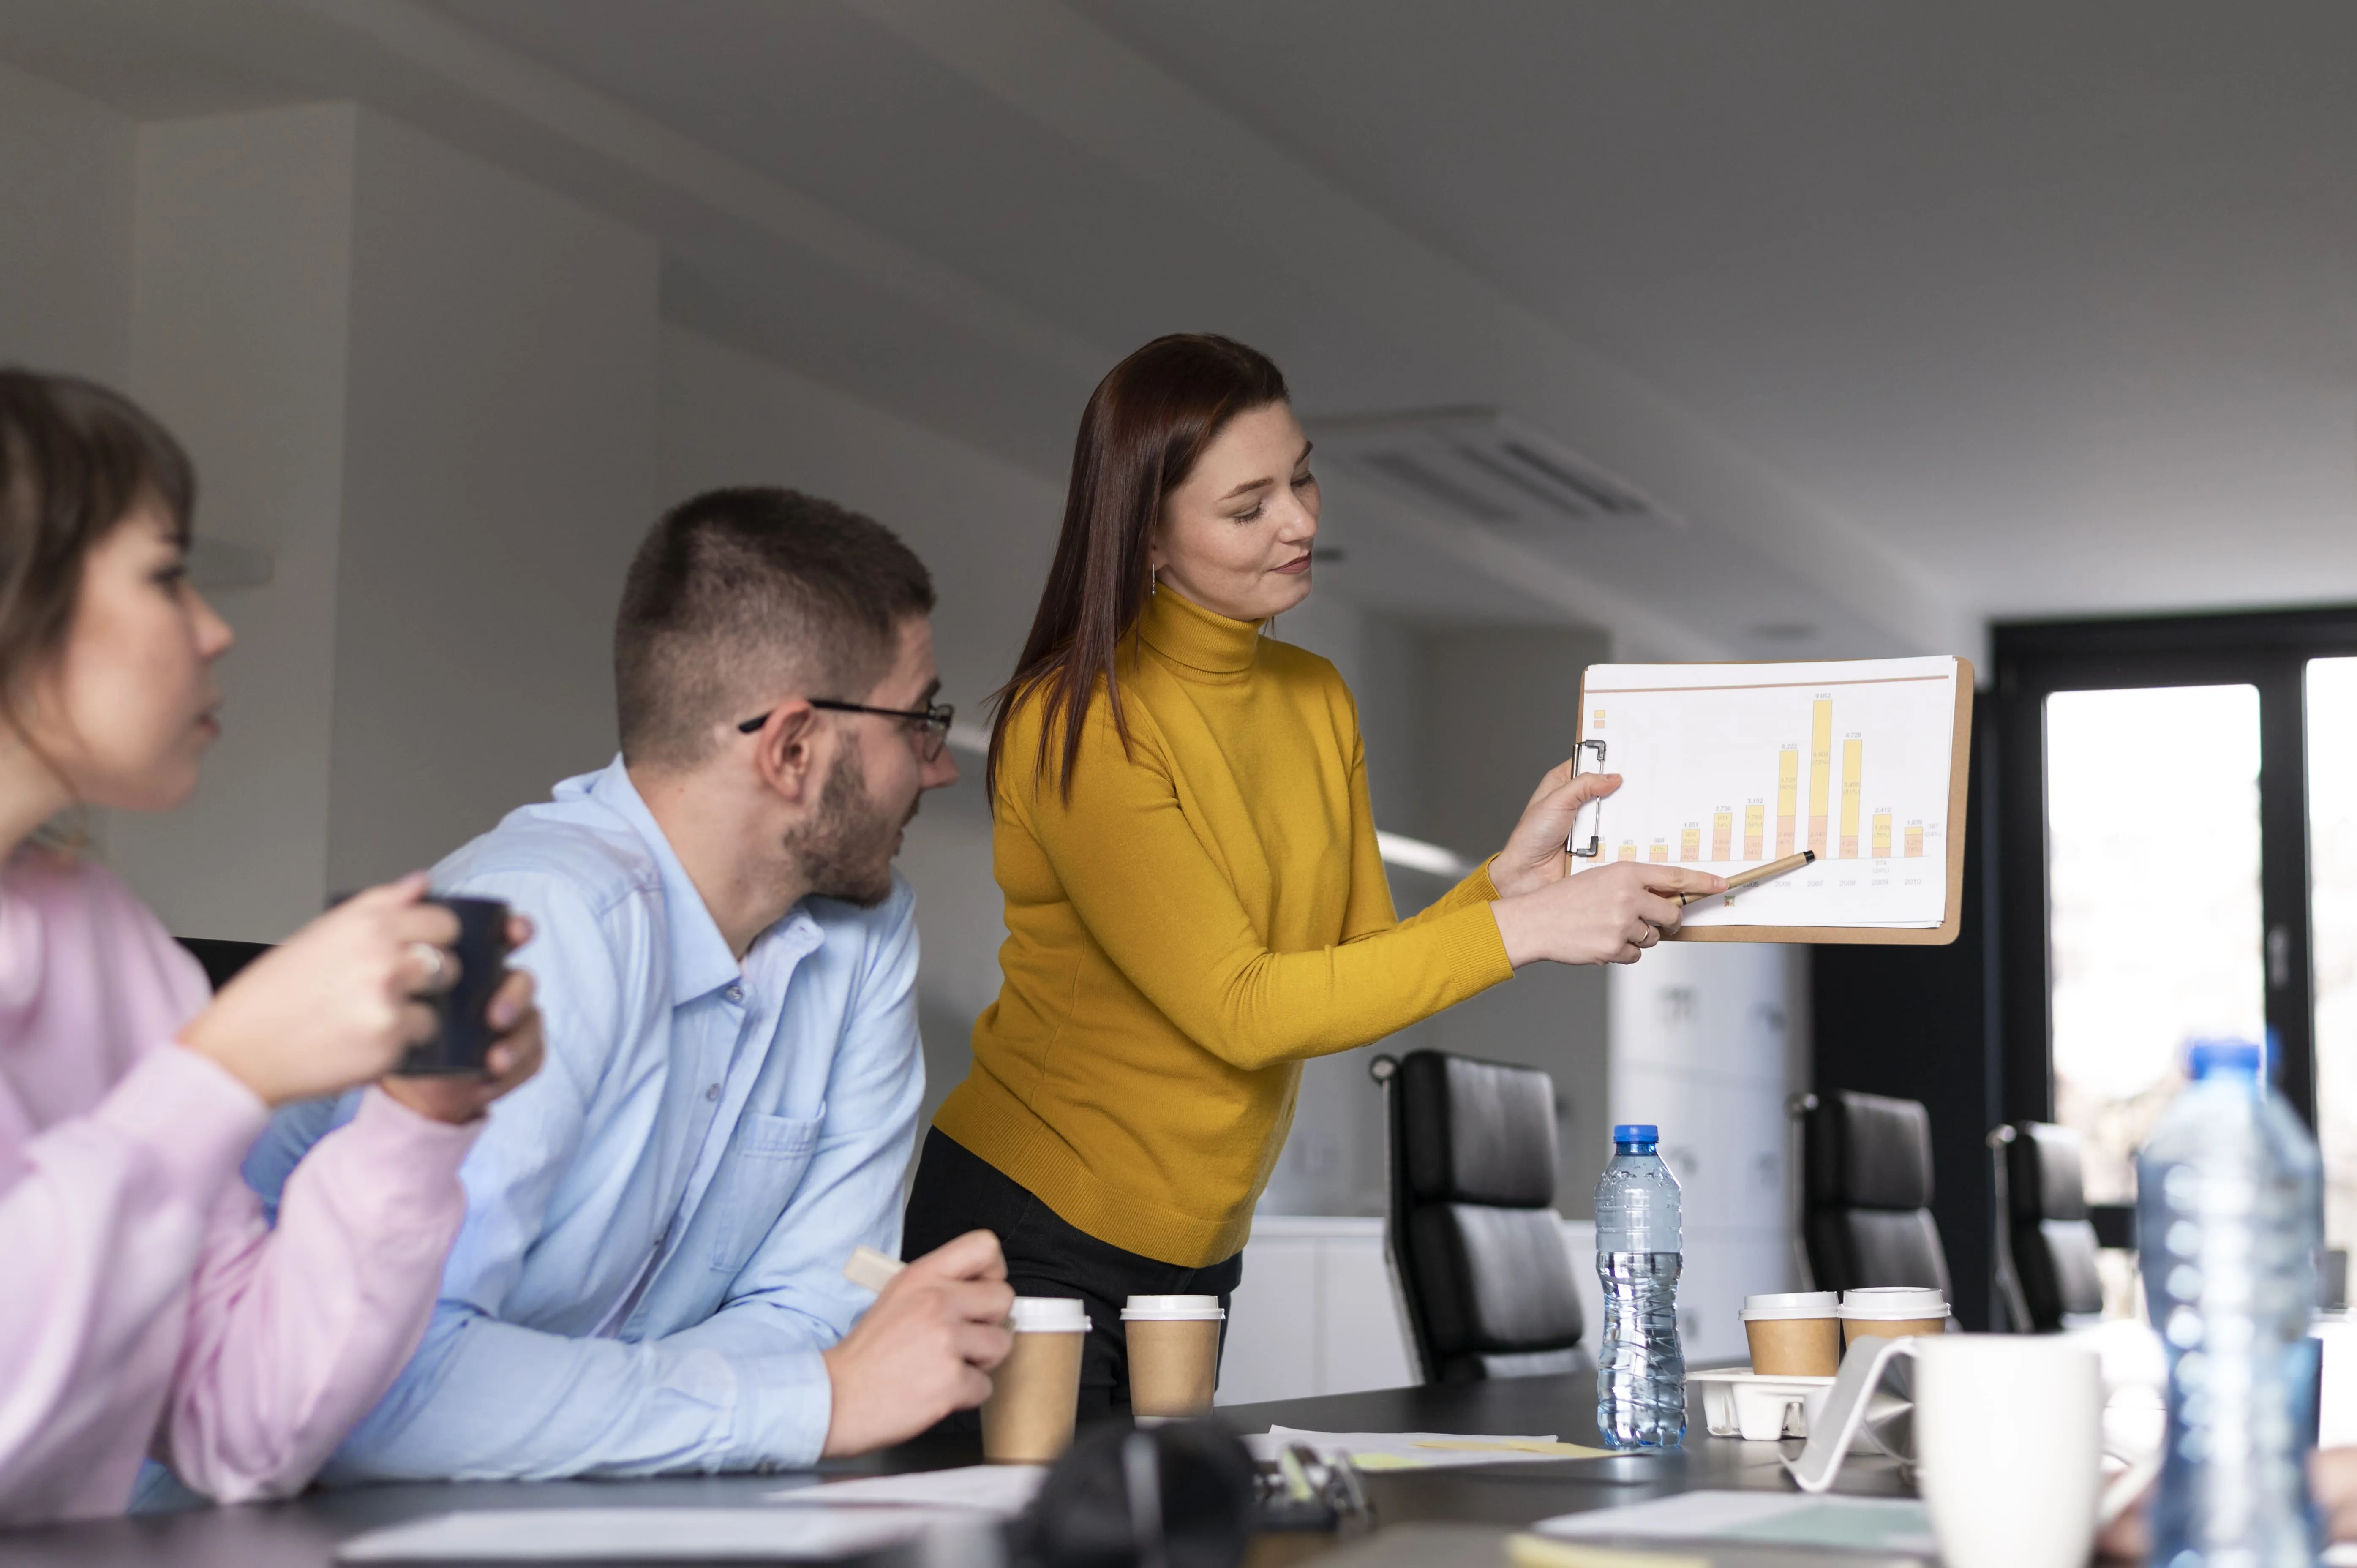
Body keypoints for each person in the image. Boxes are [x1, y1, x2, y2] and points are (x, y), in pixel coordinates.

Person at [903, 334, 1724, 1414]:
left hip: (1198, 1246)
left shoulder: (1314, 695)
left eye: (1300, 477)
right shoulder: (1083, 720)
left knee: (1166, 1512)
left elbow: (1351, 970)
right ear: (1145, 538)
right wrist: (1524, 932)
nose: (1297, 521)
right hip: (1033, 1226)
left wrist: (1502, 889)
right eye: (1247, 507)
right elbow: (1240, 1009)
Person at [247, 486, 1014, 1481]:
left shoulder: (866, 926)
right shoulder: (528, 924)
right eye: (918, 721)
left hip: (587, 1511)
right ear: (791, 748)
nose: (938, 768)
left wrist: (612, 1407)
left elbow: (814, 1306)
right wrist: (815, 1399)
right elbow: (384, 1392)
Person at [0, 370, 545, 1524]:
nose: (217, 628)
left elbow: (239, 1431)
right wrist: (219, 1075)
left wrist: (415, 1119)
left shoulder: (110, 942)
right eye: (165, 575)